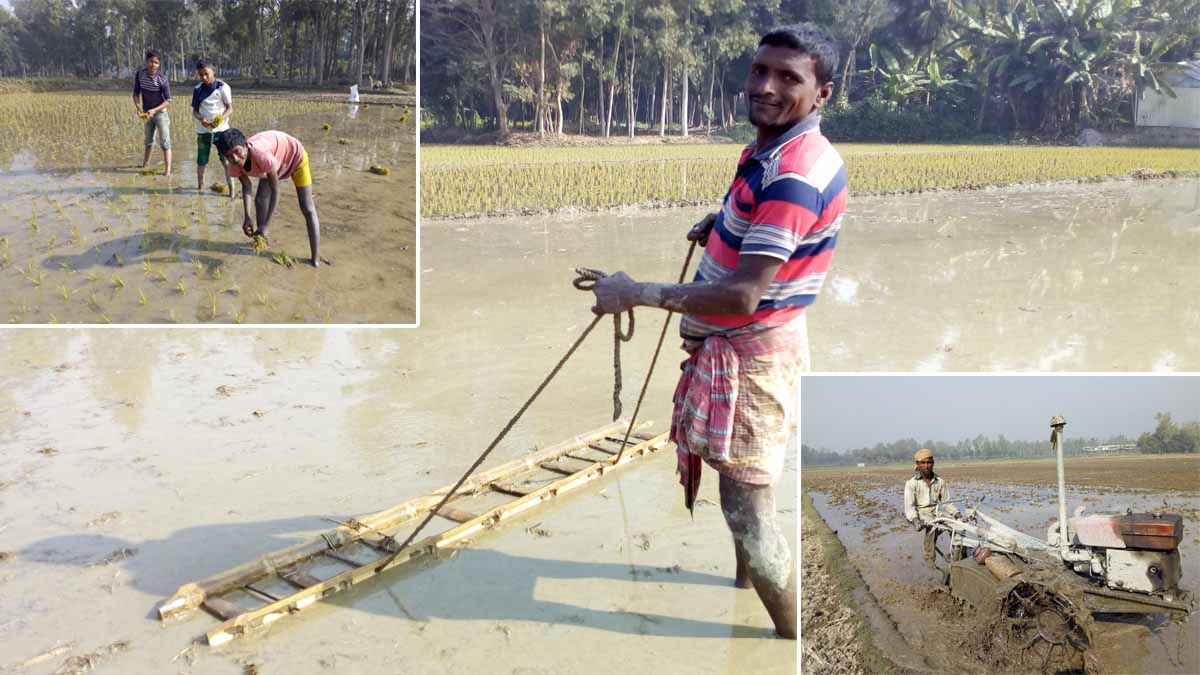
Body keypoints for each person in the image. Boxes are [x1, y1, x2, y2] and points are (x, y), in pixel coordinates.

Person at [589, 23, 849, 640]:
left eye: (789, 78)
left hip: (752, 356)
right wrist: (728, 220)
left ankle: (789, 641)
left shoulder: (792, 174)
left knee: (749, 509)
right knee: (746, 482)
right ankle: (744, 591)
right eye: (761, 71)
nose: (766, 86)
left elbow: (741, 295)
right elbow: (766, 231)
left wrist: (635, 292)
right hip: (767, 344)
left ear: (822, 94)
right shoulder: (772, 151)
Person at [215, 129, 321, 267]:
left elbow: (276, 191)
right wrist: (247, 217)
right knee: (260, 199)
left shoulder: (261, 155)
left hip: (295, 157)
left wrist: (267, 224)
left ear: (246, 145)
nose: (235, 158)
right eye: (229, 156)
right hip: (273, 163)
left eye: (237, 151)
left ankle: (315, 259)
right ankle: (262, 239)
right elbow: (246, 187)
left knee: (307, 207)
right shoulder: (234, 165)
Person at [903, 448, 960, 570]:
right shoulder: (911, 484)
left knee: (957, 527)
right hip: (922, 512)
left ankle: (958, 558)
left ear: (933, 463)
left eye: (929, 462)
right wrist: (915, 520)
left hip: (937, 510)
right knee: (932, 528)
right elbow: (910, 507)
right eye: (923, 463)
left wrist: (957, 514)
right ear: (917, 465)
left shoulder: (940, 481)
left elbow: (946, 502)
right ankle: (930, 561)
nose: (926, 466)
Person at [191, 60, 234, 196]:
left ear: (213, 71)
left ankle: (232, 192)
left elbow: (229, 108)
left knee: (226, 161)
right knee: (201, 161)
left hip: (222, 131)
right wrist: (201, 119)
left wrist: (220, 119)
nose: (204, 77)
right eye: (201, 75)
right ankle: (200, 188)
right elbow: (195, 111)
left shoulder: (223, 87)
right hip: (203, 131)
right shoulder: (198, 89)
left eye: (206, 74)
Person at [133, 49, 172, 176]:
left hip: (160, 113)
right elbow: (136, 93)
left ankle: (167, 171)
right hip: (147, 113)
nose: (153, 64)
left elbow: (168, 100)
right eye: (151, 61)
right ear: (146, 62)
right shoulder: (140, 75)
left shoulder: (162, 79)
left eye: (156, 62)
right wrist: (138, 108)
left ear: (159, 64)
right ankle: (145, 164)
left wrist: (154, 110)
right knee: (148, 141)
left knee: (165, 142)